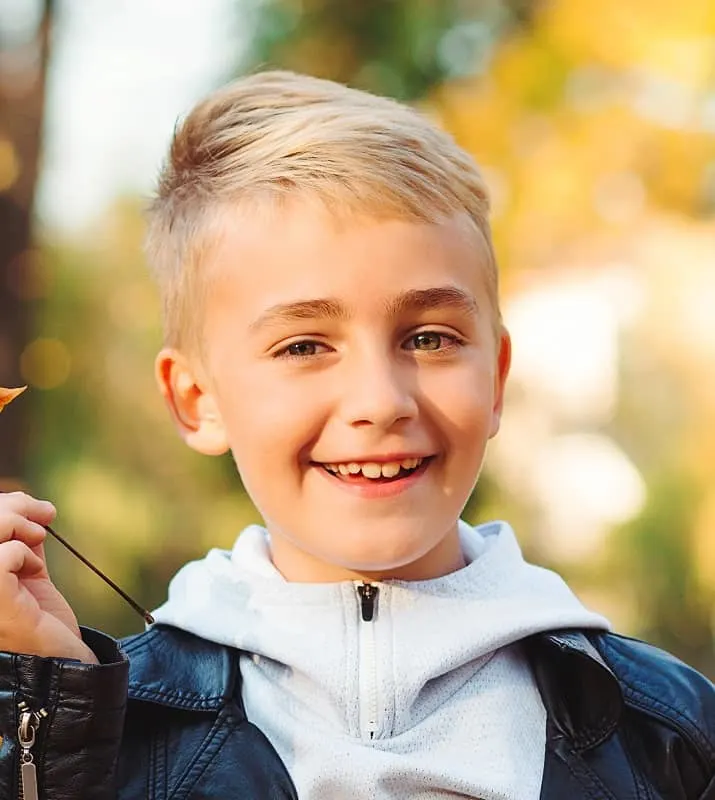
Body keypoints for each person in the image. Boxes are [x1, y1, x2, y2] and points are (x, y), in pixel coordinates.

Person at [0, 70, 713, 800]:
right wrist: (54, 732)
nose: (380, 402)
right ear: (197, 400)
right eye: (304, 346)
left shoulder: (670, 732)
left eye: (430, 338)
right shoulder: (95, 733)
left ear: (495, 378)